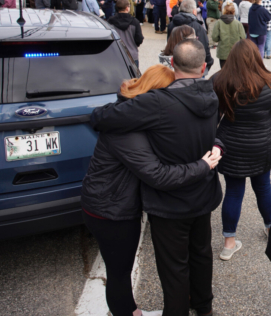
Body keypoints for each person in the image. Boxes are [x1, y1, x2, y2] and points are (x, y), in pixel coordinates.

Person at [91, 40, 223, 316]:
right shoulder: (210, 96)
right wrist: (217, 148)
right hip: (202, 194)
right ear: (204, 67)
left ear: (172, 65)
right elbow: (209, 135)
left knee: (174, 267)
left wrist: (100, 112)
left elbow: (105, 118)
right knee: (201, 255)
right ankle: (203, 307)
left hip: (170, 202)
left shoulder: (158, 103)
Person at [212, 40, 271, 261]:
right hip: (260, 145)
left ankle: (229, 242)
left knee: (234, 192)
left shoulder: (219, 80)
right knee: (263, 188)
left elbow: (210, 113)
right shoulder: (269, 82)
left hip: (230, 144)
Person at [166, 0, 214, 73]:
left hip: (176, 63)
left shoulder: (172, 24)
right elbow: (203, 46)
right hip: (193, 66)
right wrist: (209, 62)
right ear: (194, 11)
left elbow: (168, 42)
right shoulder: (198, 27)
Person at [108, 0, 144, 68]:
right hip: (132, 54)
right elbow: (139, 39)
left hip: (116, 53)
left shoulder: (110, 21)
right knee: (133, 77)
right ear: (127, 8)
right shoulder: (135, 22)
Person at [210, 2, 246, 68]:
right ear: (233, 12)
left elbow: (214, 37)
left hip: (223, 51)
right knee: (235, 71)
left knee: (224, 71)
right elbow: (243, 37)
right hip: (236, 51)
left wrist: (220, 38)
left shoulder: (218, 23)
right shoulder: (238, 23)